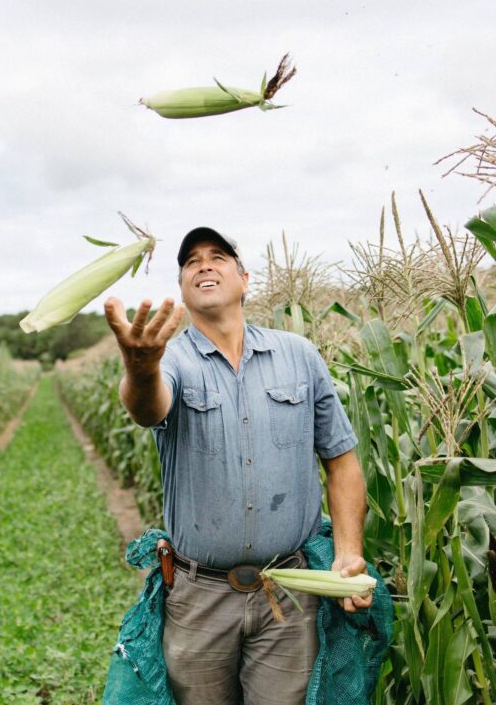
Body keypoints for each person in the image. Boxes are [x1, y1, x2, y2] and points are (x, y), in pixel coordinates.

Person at [103, 227, 372, 705]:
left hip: (288, 595)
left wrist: (347, 553)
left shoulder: (300, 357)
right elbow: (147, 407)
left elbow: (342, 461)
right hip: (197, 598)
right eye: (191, 262)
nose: (203, 265)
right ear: (183, 289)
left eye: (218, 257)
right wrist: (140, 367)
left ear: (244, 280)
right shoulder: (174, 361)